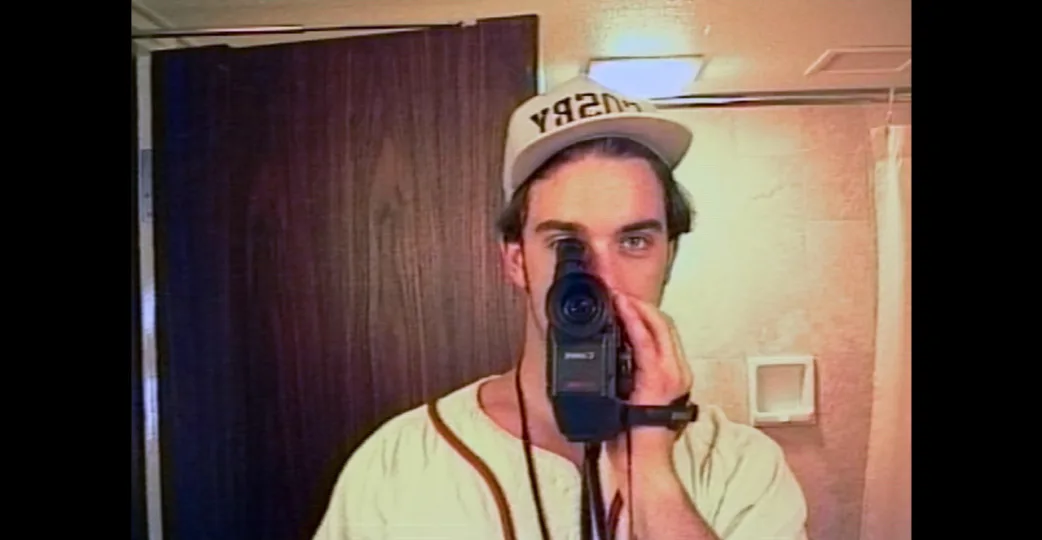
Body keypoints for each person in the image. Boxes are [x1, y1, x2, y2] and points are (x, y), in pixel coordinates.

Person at [312, 75, 809, 540]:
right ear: (516, 261)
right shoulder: (400, 464)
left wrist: (652, 470)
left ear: (669, 257)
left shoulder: (739, 465)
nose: (600, 280)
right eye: (567, 245)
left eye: (634, 241)